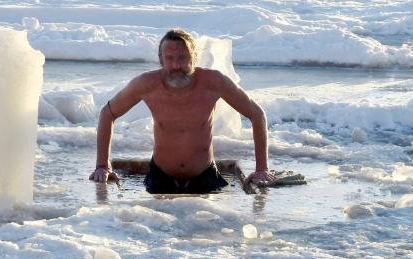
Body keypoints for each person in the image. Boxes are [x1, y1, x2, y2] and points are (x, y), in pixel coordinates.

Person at [89, 29, 274, 194]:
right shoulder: (146, 84)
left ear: (193, 57)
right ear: (161, 60)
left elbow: (257, 115)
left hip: (204, 175)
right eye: (170, 58)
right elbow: (107, 114)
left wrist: (261, 169)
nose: (176, 65)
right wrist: (102, 165)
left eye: (182, 58)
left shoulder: (214, 82)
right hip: (160, 176)